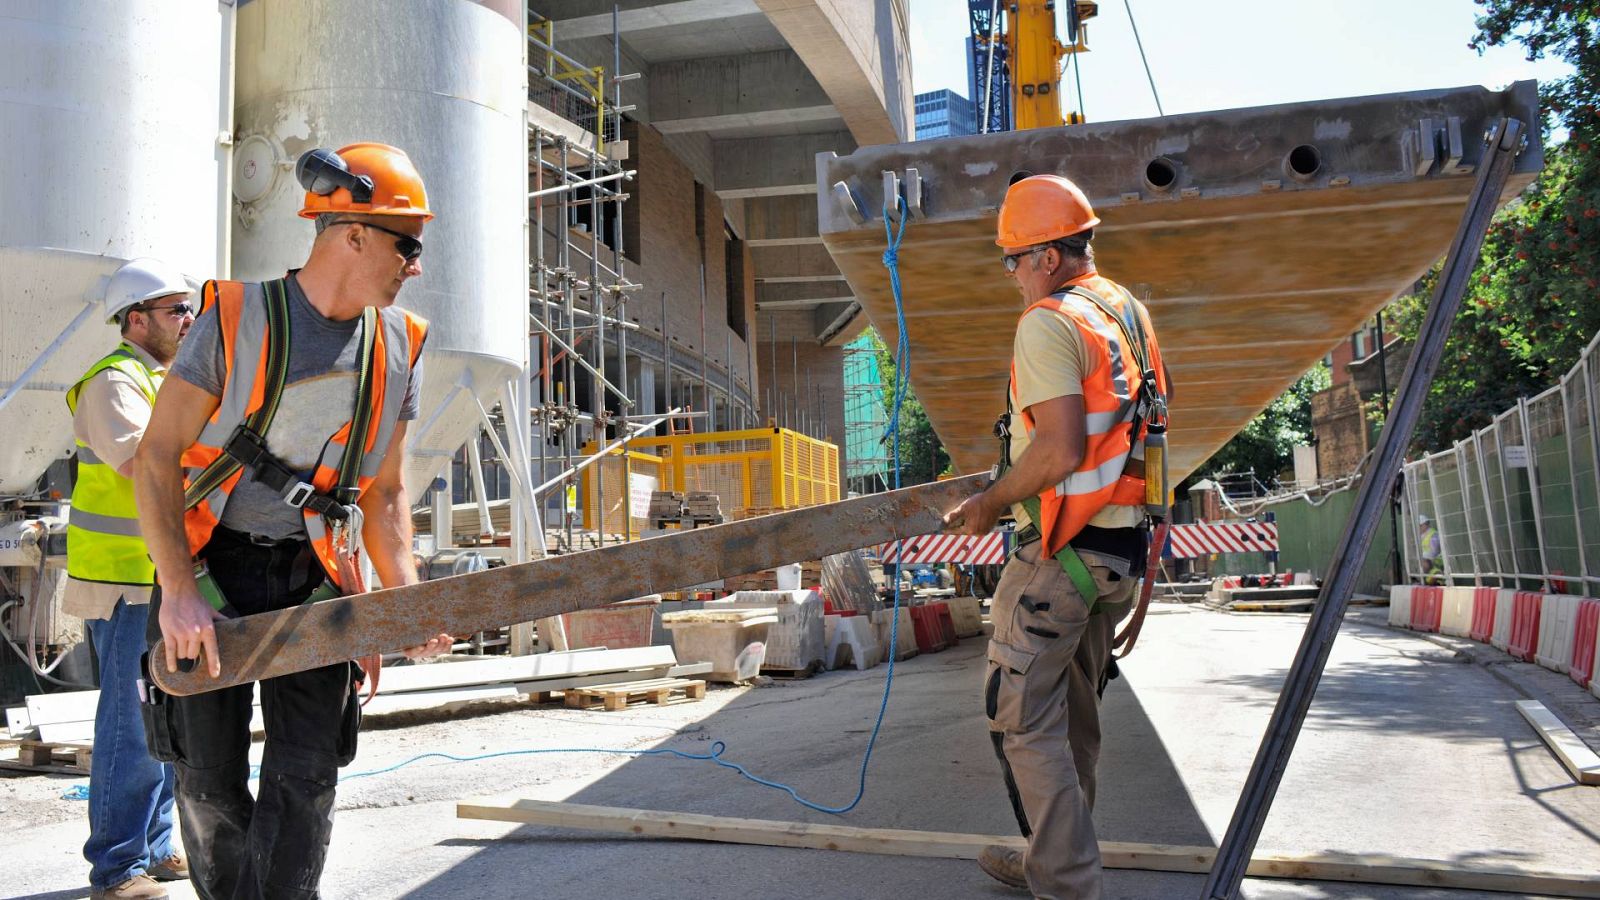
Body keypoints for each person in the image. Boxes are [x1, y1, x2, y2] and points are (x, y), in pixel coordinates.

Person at [133, 143, 453, 900]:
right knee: (207, 780)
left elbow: (383, 492)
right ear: (351, 234)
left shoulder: (399, 346)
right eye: (407, 245)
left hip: (316, 579)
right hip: (214, 571)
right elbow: (156, 459)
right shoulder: (235, 319)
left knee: (304, 781)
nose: (415, 265)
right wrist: (177, 591)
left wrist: (401, 597)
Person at [943, 173, 1170, 899]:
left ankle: (1066, 882)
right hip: (1115, 554)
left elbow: (1060, 450)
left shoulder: (1049, 320)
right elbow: (1132, 438)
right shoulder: (1125, 313)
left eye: (1013, 258)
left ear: (1046, 256)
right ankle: (1053, 858)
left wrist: (989, 500)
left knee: (1021, 719)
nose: (1011, 273)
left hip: (1059, 556)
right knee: (1073, 720)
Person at [66, 258, 197, 900]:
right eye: (176, 310)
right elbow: (145, 466)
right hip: (124, 584)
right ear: (136, 319)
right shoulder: (115, 382)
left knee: (166, 719)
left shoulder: (167, 380)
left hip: (162, 581)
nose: (188, 320)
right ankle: (117, 869)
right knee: (129, 724)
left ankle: (154, 846)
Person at [1418, 514, 1443, 583]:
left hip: (1434, 562)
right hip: (1426, 562)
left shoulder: (1434, 535)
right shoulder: (1421, 536)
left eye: (1420, 526)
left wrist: (1422, 557)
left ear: (1425, 525)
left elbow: (1434, 552)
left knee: (1424, 563)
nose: (1419, 528)